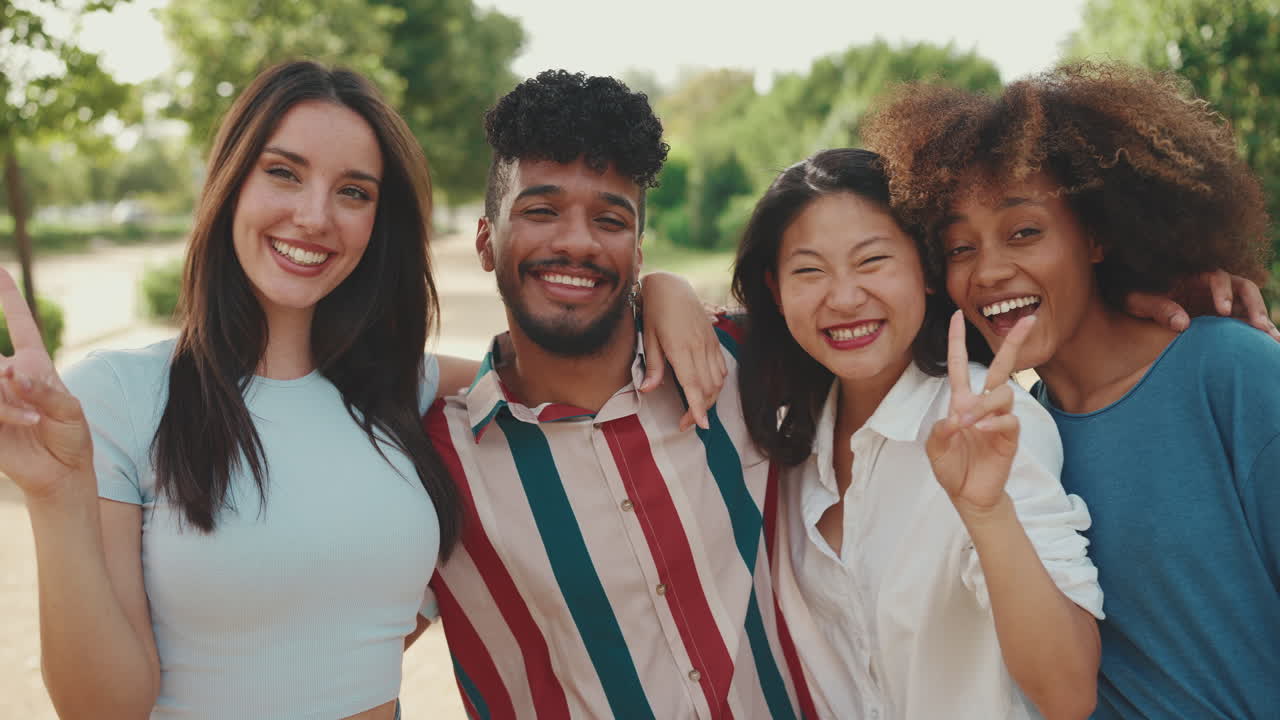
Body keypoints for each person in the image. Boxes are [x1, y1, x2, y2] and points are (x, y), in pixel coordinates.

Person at [865, 61, 1280, 718]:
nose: (991, 270)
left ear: (1096, 234)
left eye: (1024, 231)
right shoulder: (1013, 441)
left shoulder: (1231, 371)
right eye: (960, 247)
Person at [423, 70, 815, 719]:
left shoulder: (742, 364)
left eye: (609, 219)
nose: (577, 241)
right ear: (487, 240)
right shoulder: (433, 463)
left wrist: (670, 286)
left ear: (637, 249)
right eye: (541, 210)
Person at [721, 148, 1101, 719]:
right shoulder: (782, 447)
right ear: (776, 292)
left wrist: (988, 512)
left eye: (872, 261)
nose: (843, 297)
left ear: (924, 272)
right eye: (809, 271)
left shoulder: (988, 423)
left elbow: (1069, 694)